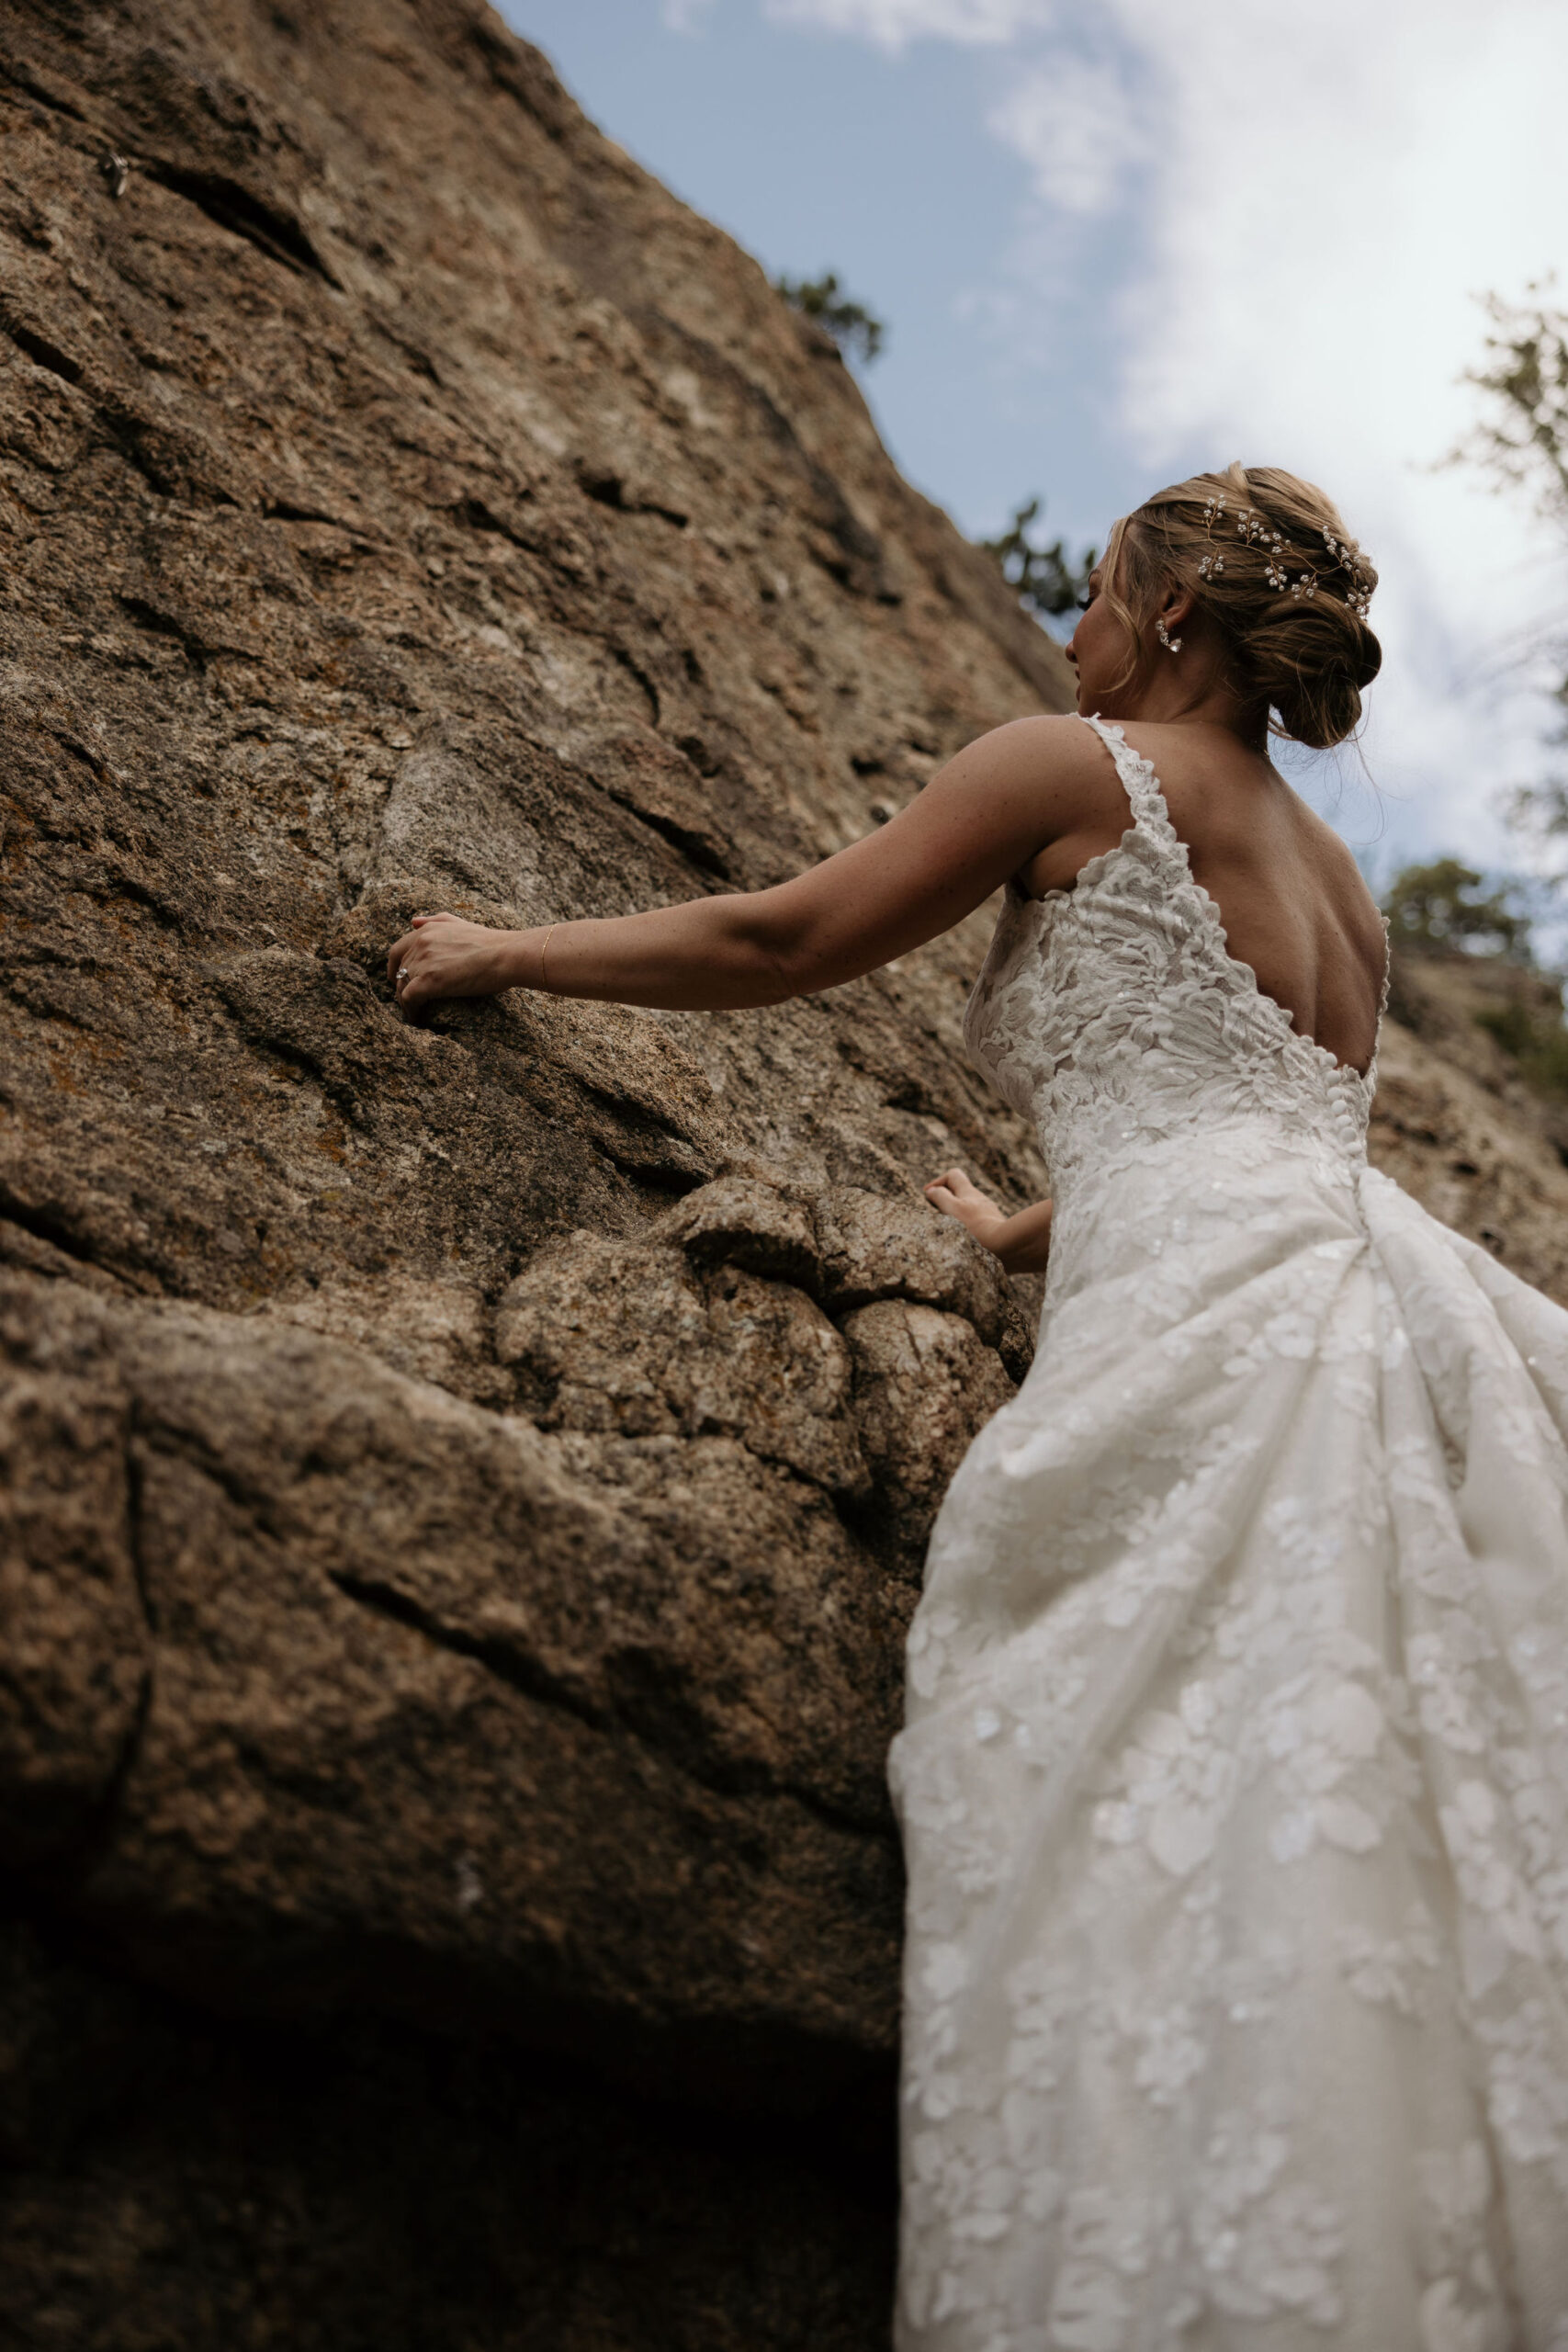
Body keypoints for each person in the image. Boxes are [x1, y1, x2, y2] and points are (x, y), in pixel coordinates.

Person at [389, 463, 1568, 2348]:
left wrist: (503, 951)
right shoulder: (1335, 878)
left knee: (1137, 1748)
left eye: (1095, 593)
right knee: (1348, 1778)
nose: (1067, 632)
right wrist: (1027, 1222)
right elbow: (1269, 1121)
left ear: (1171, 611)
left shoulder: (1070, 766)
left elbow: (790, 939)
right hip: (1362, 1285)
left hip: (1205, 1310)